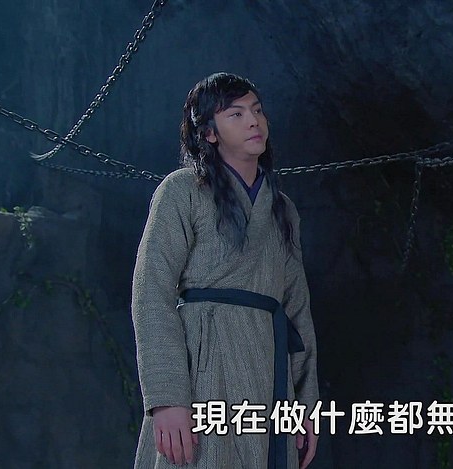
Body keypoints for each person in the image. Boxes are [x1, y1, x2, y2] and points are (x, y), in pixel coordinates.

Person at [131, 72, 319, 469]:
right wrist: (167, 399)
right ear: (209, 133)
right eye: (236, 114)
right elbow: (152, 293)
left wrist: (305, 405)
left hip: (268, 367)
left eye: (257, 110)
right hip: (204, 363)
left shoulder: (282, 209)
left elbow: (298, 310)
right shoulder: (181, 190)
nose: (254, 121)